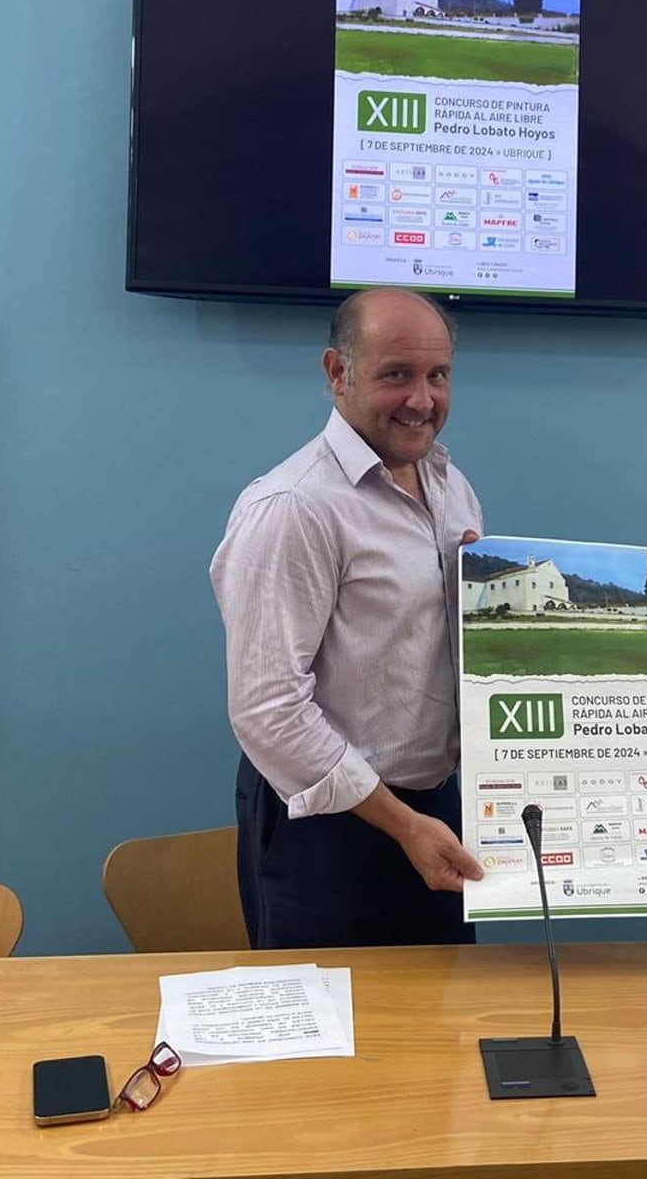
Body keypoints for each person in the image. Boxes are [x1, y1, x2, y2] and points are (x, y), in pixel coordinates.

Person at [211, 287, 484, 949]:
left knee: (443, 1025)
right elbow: (268, 709)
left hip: (438, 810)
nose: (423, 400)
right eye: (398, 375)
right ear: (338, 373)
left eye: (437, 376)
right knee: (331, 1041)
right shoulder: (294, 507)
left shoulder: (450, 486)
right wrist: (402, 824)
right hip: (328, 829)